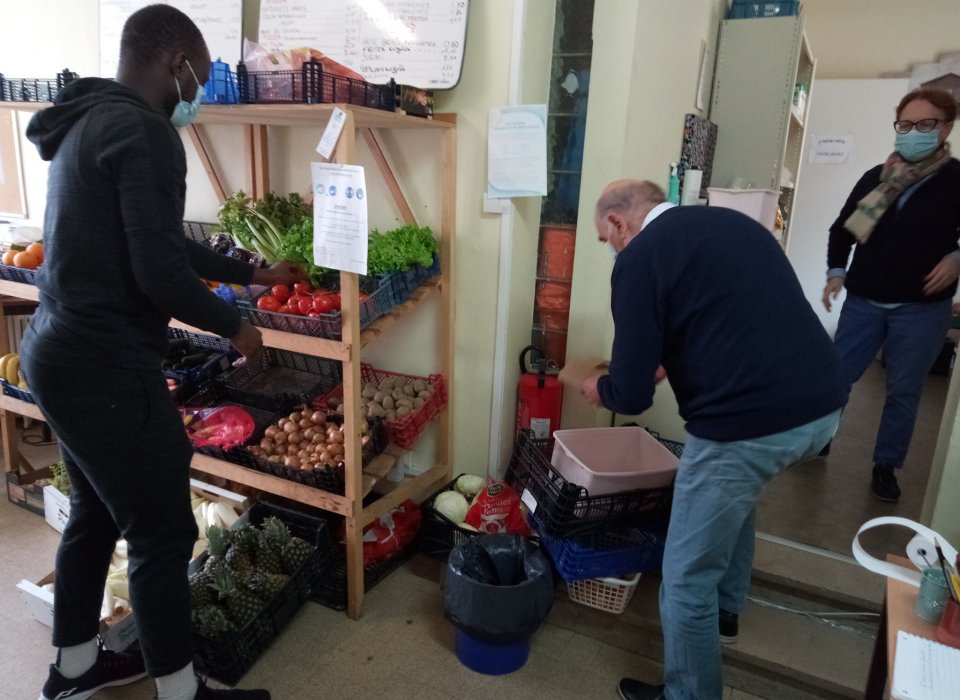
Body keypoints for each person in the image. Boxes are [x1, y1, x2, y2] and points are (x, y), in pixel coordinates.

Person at [22, 5, 303, 699]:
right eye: (199, 79)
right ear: (175, 63)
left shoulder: (91, 119)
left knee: (92, 513)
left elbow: (161, 240)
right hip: (105, 366)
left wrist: (252, 276)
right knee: (161, 532)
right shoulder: (147, 134)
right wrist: (236, 325)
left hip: (54, 352)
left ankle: (75, 673)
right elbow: (161, 274)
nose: (197, 95)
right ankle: (182, 692)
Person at [579, 180, 847, 700]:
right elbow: (728, 320)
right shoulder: (733, 224)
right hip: (823, 410)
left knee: (683, 580)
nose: (609, 247)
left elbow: (630, 395)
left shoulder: (638, 259)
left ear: (618, 223)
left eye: (604, 238)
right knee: (736, 497)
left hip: (748, 423)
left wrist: (602, 386)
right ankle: (726, 611)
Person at [821, 87, 960, 503]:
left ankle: (886, 465)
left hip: (922, 310)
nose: (912, 132)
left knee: (903, 391)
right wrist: (835, 272)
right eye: (905, 124)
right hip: (864, 301)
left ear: (946, 127)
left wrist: (958, 256)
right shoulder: (874, 178)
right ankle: (818, 441)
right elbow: (841, 230)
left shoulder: (957, 181)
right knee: (835, 379)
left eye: (924, 124)